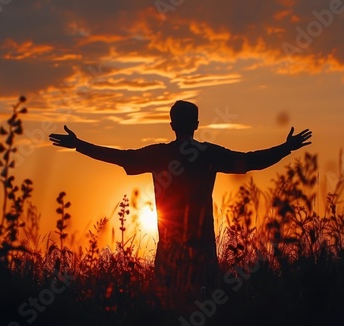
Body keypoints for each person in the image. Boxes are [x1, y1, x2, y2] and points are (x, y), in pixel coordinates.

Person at [49, 100, 312, 307]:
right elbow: (250, 160)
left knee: (168, 307)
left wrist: (78, 145)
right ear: (197, 124)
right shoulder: (208, 153)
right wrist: (285, 148)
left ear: (172, 125)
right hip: (203, 248)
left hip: (170, 250)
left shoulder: (160, 155)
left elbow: (120, 157)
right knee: (207, 306)